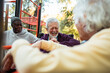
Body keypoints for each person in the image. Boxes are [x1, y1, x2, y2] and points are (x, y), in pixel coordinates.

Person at [2, 0, 110, 73]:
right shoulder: (103, 42)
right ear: (47, 29)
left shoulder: (104, 47)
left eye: (76, 19)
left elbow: (34, 65)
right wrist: (44, 44)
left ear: (86, 19)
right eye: (51, 28)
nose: (76, 24)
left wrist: (18, 46)